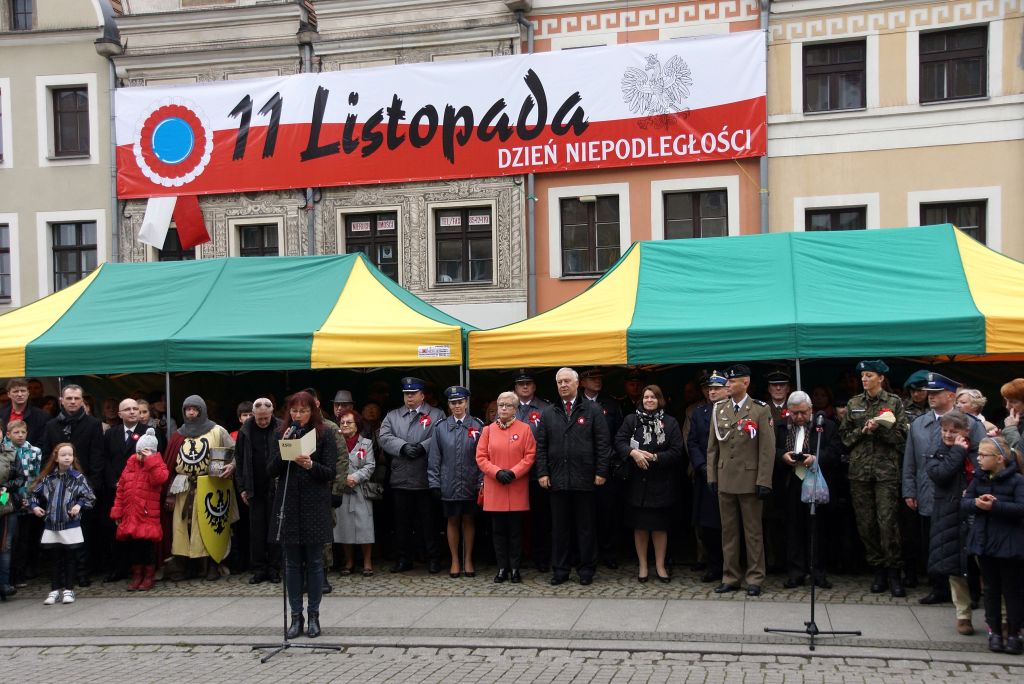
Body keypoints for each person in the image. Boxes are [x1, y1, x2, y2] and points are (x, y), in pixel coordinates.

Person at [903, 372, 986, 603]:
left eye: (936, 393)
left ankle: (971, 592)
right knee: (934, 540)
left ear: (950, 395)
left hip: (961, 492)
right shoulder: (919, 423)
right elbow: (910, 460)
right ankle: (938, 588)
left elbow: (981, 455)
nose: (930, 397)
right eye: (929, 393)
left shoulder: (970, 423)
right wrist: (909, 489)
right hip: (929, 491)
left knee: (964, 542)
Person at [268, 391, 337, 639]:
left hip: (314, 505)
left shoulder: (325, 434)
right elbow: (270, 469)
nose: (298, 415)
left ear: (312, 411)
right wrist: (283, 452)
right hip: (289, 503)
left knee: (315, 562)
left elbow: (330, 471)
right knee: (292, 563)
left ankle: (314, 616)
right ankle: (296, 616)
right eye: (294, 411)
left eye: (303, 411)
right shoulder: (280, 433)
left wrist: (310, 465)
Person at [838, 359, 908, 597]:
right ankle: (877, 569)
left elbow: (901, 437)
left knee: (888, 523)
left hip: (886, 471)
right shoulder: (854, 403)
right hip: (859, 472)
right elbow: (844, 438)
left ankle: (894, 571)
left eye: (869, 375)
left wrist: (881, 429)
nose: (864, 379)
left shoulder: (894, 402)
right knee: (865, 523)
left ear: (880, 378)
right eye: (863, 376)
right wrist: (863, 431)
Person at [535, 367, 610, 586]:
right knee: (559, 529)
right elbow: (541, 446)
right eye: (559, 382)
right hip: (557, 479)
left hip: (585, 478)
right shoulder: (548, 412)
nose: (563, 385)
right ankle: (560, 570)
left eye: (567, 381)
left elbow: (603, 443)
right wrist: (542, 472)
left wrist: (601, 471)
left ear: (578, 384)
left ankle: (586, 569)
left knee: (586, 528)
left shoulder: (592, 409)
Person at [706, 364, 776, 597]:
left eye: (732, 381)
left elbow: (767, 449)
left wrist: (764, 480)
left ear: (745, 383)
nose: (728, 384)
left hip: (749, 478)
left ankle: (755, 577)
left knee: (753, 531)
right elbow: (712, 448)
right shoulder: (720, 409)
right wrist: (712, 475)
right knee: (729, 531)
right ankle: (731, 576)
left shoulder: (759, 410)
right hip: (725, 477)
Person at [961, 436, 1024, 654]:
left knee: (1012, 590)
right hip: (984, 541)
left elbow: (1020, 508)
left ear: (999, 459)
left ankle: (1015, 632)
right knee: (990, 590)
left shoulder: (1017, 481)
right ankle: (994, 631)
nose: (978, 459)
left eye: (983, 455)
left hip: (1008, 544)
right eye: (978, 455)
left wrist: (994, 507)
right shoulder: (979, 479)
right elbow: (965, 503)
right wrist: (976, 503)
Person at [614, 384, 683, 583]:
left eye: (653, 397)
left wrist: (655, 458)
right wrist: (632, 453)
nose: (649, 400)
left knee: (660, 527)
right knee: (641, 527)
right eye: (646, 397)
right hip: (637, 483)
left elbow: (677, 451)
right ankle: (643, 565)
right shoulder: (631, 420)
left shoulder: (670, 422)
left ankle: (660, 566)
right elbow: (619, 441)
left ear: (660, 399)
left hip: (661, 482)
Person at [163, 395, 235, 581]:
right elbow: (169, 464)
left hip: (210, 486)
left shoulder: (217, 431)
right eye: (187, 409)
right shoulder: (178, 434)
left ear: (202, 410)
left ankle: (212, 564)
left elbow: (234, 452)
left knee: (207, 527)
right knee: (183, 529)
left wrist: (232, 465)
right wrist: (169, 492)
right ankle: (187, 566)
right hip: (182, 487)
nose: (191, 412)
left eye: (195, 409)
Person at [774, 391, 841, 589]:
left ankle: (818, 572)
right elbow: (771, 450)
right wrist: (782, 457)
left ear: (811, 410)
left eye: (803, 413)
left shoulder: (826, 426)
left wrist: (816, 459)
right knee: (793, 528)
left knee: (817, 528)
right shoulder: (780, 427)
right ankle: (796, 572)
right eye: (794, 414)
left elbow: (835, 451)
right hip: (791, 481)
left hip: (816, 480)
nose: (799, 417)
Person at [378, 377, 446, 574]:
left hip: (426, 476)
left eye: (413, 394)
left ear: (422, 395)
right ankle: (404, 558)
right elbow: (383, 437)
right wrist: (403, 447)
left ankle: (433, 558)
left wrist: (423, 447)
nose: (409, 397)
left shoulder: (436, 414)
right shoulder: (392, 416)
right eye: (406, 394)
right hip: (401, 477)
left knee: (429, 522)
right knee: (402, 523)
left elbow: (441, 435)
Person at [40, 384, 103, 587]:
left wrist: (90, 486)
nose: (73, 402)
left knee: (82, 532)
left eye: (77, 398)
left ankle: (82, 573)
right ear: (62, 400)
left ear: (82, 400)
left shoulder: (93, 424)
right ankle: (62, 576)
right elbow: (46, 457)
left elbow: (97, 457)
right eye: (69, 398)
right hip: (57, 488)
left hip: (83, 485)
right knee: (59, 533)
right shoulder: (51, 426)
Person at [924, 411, 979, 635]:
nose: (947, 434)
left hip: (976, 514)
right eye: (945, 430)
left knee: (984, 566)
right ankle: (963, 615)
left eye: (953, 431)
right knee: (955, 569)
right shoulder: (937, 452)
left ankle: (1000, 618)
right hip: (949, 515)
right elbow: (941, 474)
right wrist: (957, 450)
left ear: (965, 432)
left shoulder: (977, 451)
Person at [477, 391, 536, 583]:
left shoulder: (525, 429)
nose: (503, 408)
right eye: (501, 405)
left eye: (508, 405)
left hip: (516, 486)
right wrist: (496, 472)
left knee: (516, 532)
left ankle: (515, 568)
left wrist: (513, 472)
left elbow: (530, 456)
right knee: (499, 531)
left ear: (515, 409)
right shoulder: (488, 430)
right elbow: (481, 457)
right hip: (495, 487)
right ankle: (502, 567)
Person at [427, 386, 484, 578]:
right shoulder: (441, 427)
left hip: (470, 482)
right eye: (453, 402)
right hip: (448, 483)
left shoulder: (478, 426)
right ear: (449, 405)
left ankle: (468, 559)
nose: (457, 405)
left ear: (467, 402)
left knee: (469, 520)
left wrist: (481, 482)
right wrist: (434, 483)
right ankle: (454, 560)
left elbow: (483, 458)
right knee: (452, 520)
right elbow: (434, 459)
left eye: (460, 402)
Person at [30, 442, 96, 605]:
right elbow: (32, 494)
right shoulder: (48, 478)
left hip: (70, 523)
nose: (67, 458)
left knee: (70, 557)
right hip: (52, 523)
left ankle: (69, 589)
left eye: (70, 455)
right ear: (56, 458)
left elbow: (89, 497)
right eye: (63, 455)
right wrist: (35, 507)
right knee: (55, 558)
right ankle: (54, 589)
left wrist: (79, 505)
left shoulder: (78, 478)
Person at [98, 398, 151, 583]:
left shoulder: (149, 433)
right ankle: (118, 568)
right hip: (117, 490)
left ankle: (139, 570)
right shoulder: (111, 434)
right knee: (116, 530)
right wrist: (114, 481)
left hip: (140, 490)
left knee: (139, 531)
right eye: (127, 409)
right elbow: (104, 459)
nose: (132, 412)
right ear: (119, 414)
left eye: (135, 409)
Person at [110, 428, 169, 592]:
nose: (141, 456)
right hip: (131, 514)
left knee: (147, 548)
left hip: (147, 514)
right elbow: (121, 489)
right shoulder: (130, 465)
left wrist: (151, 460)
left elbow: (160, 479)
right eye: (140, 452)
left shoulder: (156, 464)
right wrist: (118, 511)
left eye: (145, 452)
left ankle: (148, 575)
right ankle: (137, 575)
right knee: (134, 547)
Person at [579, 367, 624, 569]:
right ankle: (585, 554)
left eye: (600, 378)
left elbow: (619, 435)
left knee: (607, 513)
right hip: (581, 468)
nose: (597, 381)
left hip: (605, 466)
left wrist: (609, 460)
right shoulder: (575, 404)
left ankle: (609, 552)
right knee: (583, 515)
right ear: (581, 382)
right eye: (592, 377)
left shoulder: (611, 404)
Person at [234, 397, 282, 584]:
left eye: (266, 418)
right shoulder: (245, 430)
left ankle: (274, 568)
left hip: (274, 486)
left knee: (274, 529)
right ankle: (259, 568)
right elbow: (239, 459)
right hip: (254, 487)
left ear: (271, 414)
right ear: (253, 415)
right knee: (257, 531)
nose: (263, 422)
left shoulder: (280, 428)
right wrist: (242, 488)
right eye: (259, 418)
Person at [687, 371, 727, 583]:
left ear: (726, 390)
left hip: (729, 475)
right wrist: (702, 466)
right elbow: (692, 442)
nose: (712, 392)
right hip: (706, 477)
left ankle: (731, 567)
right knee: (708, 526)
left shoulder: (734, 411)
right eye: (709, 389)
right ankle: (714, 566)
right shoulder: (699, 412)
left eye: (716, 388)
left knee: (729, 525)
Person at [512, 369, 552, 572]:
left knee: (540, 519)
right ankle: (516, 558)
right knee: (516, 520)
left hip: (537, 474)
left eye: (528, 383)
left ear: (534, 386)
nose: (525, 386)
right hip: (513, 475)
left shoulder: (546, 408)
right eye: (521, 384)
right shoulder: (509, 408)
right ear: (515, 388)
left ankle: (541, 557)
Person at [332, 409, 376, 577]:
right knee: (344, 527)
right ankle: (349, 561)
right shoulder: (336, 443)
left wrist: (355, 477)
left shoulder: (366, 443)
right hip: (342, 490)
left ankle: (367, 562)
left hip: (360, 490)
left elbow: (370, 465)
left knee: (365, 526)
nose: (345, 425)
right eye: (342, 422)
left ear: (356, 425)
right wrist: (342, 478)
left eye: (348, 422)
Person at [5, 419, 43, 589]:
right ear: (8, 434)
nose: (20, 435)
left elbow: (36, 476)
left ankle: (21, 573)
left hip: (27, 497)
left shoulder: (34, 451)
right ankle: (8, 575)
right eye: (16, 433)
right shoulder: (5, 450)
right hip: (8, 498)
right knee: (9, 538)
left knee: (24, 539)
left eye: (23, 432)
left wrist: (31, 496)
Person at [0, 425, 25, 598]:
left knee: (5, 546)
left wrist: (5, 487)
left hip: (5, 505)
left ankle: (4, 584)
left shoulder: (11, 452)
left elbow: (20, 478)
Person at [1, 378, 49, 446]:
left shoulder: (42, 416)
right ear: (8, 394)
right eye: (15, 391)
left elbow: (43, 442)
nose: (20, 394)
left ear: (28, 393)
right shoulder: (1, 414)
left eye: (23, 391)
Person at [1000, 378, 1024, 452]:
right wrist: (1000, 438)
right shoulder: (1016, 419)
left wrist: (1010, 428)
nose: (1007, 406)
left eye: (1013, 402)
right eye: (1006, 401)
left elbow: (1020, 456)